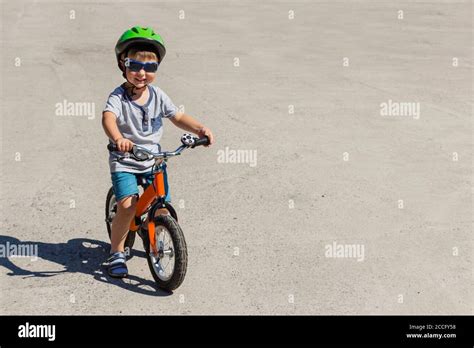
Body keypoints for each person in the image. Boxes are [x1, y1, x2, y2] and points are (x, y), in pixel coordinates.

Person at [102, 26, 214, 278]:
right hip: (125, 161)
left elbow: (178, 116)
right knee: (127, 206)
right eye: (135, 65)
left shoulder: (158, 95)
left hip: (153, 160)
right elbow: (108, 118)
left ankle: (155, 227)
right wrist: (118, 138)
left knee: (162, 206)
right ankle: (116, 252)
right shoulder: (118, 97)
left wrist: (200, 129)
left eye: (150, 68)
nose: (142, 73)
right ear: (123, 63)